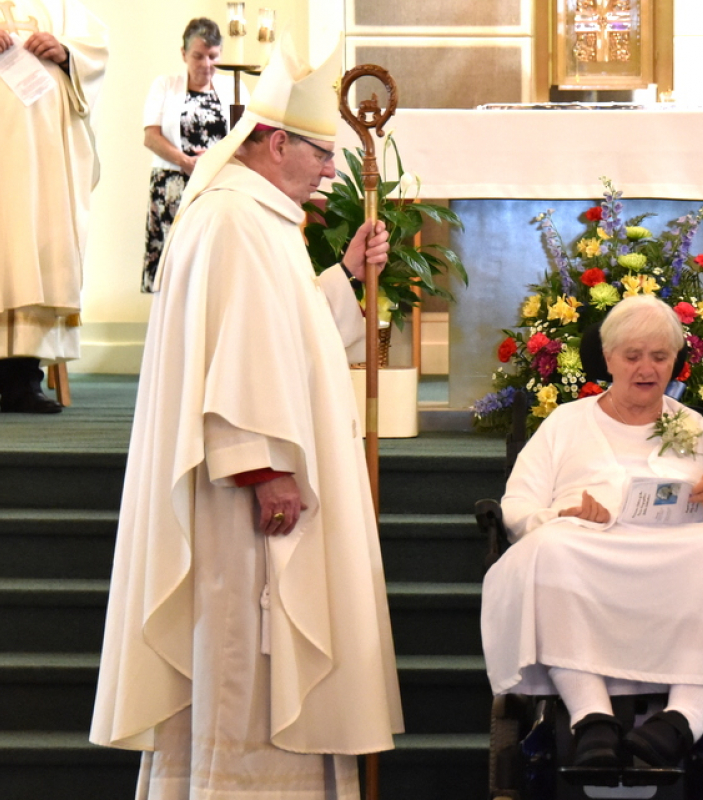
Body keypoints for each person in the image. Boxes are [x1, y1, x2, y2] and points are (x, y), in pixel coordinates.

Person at [90, 37, 404, 799]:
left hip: (257, 478)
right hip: (247, 501)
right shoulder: (234, 220)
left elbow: (279, 342)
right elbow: (232, 375)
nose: (332, 169)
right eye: (322, 153)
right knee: (246, 655)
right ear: (273, 141)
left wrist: (343, 279)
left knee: (255, 657)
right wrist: (264, 470)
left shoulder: (256, 216)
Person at [481, 295, 703, 768]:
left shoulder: (691, 427)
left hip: (674, 553)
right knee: (550, 548)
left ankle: (684, 718)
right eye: (633, 356)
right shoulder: (565, 423)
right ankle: (591, 716)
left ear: (674, 362)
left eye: (659, 357)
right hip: (586, 550)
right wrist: (560, 516)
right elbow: (516, 506)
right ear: (609, 358)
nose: (646, 368)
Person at [0, 0, 106, 413]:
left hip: (45, 153)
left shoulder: (63, 5)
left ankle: (24, 379)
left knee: (38, 250)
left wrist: (66, 52)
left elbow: (96, 49)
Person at [140, 17, 232, 292]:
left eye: (213, 56)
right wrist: (187, 162)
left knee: (210, 262)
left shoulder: (233, 88)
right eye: (198, 56)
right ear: (184, 54)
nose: (206, 64)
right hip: (172, 186)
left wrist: (213, 160)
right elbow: (151, 136)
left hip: (215, 185)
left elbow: (245, 138)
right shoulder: (165, 86)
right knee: (174, 266)